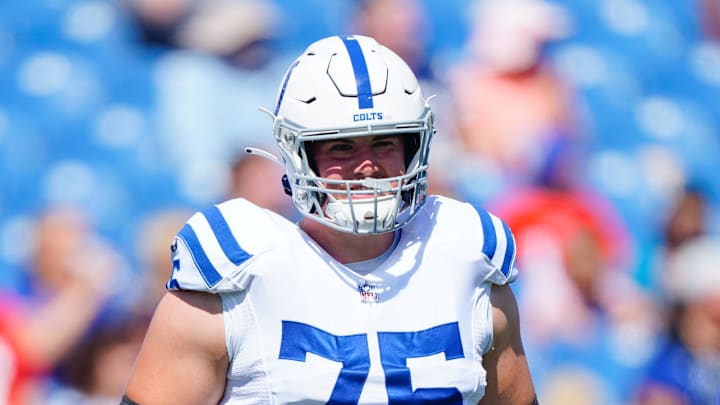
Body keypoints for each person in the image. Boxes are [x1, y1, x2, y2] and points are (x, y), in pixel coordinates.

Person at [122, 35, 537, 404]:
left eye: (386, 142)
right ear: (299, 155)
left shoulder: (465, 259)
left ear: (416, 146)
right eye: (341, 148)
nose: (368, 166)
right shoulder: (235, 276)